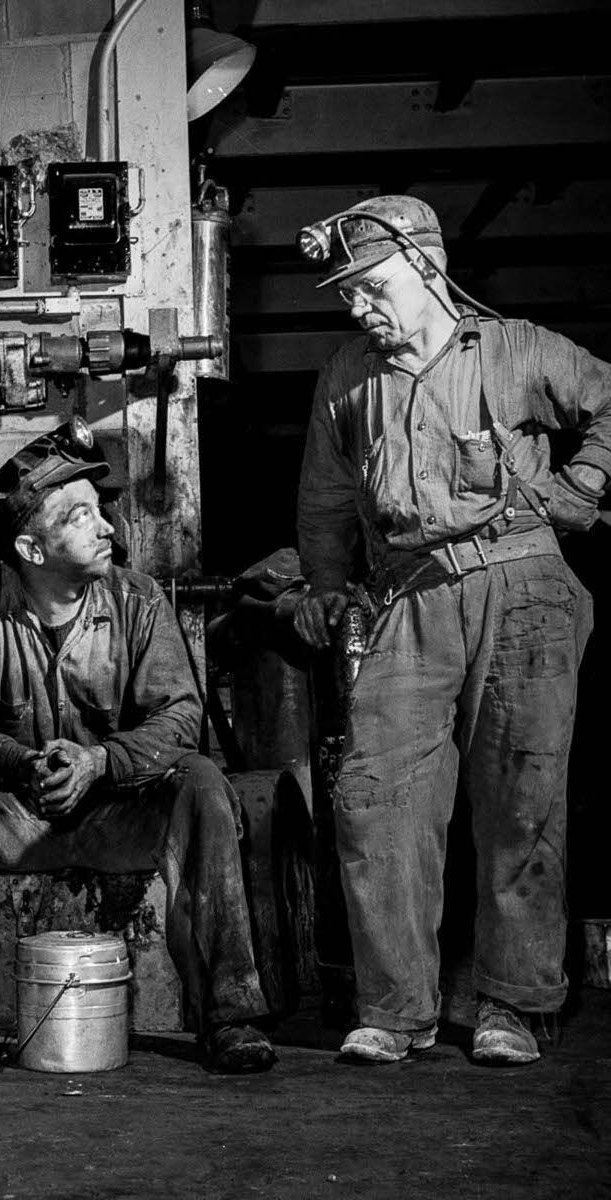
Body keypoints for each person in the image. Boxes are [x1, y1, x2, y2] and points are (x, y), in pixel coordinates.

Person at [0, 420, 276, 1075]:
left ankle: (230, 1016)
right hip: (16, 814)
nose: (106, 525)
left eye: (100, 510)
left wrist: (100, 761)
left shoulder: (137, 600)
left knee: (199, 782)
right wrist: (19, 763)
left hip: (119, 811)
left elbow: (182, 715)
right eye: (80, 516)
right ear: (32, 546)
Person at [293, 195, 610, 1066]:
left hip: (524, 587)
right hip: (408, 598)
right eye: (347, 292)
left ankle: (513, 1004)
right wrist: (324, 584)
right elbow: (324, 498)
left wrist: (582, 486)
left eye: (372, 286)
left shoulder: (512, 350)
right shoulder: (347, 375)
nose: (358, 306)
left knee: (522, 802)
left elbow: (610, 400)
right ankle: (396, 1011)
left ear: (426, 267)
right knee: (377, 799)